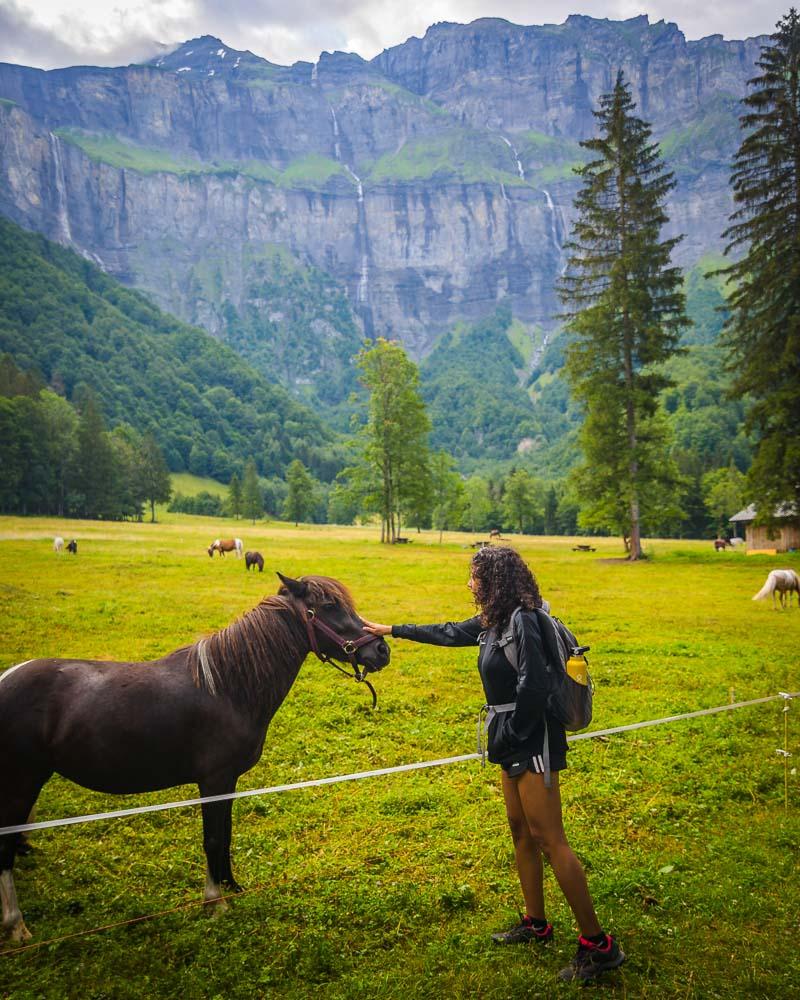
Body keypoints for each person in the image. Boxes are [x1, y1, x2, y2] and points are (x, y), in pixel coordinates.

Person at [363, 545, 625, 984]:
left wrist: (514, 734)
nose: (469, 585)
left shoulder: (523, 621)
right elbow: (447, 632)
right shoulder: (494, 623)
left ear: (495, 581)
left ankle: (599, 946)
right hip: (510, 739)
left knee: (549, 837)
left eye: (475, 578)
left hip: (532, 737)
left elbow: (536, 686)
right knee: (520, 830)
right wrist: (392, 629)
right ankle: (536, 923)